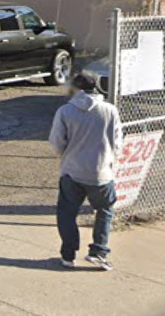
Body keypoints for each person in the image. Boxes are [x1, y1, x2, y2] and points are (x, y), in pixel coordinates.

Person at [49, 70, 123, 270]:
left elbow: (56, 143)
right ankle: (98, 252)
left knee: (67, 213)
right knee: (105, 210)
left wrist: (66, 155)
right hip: (101, 172)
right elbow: (118, 142)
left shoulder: (65, 111)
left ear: (76, 88)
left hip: (72, 171)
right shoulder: (110, 110)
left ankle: (68, 255)